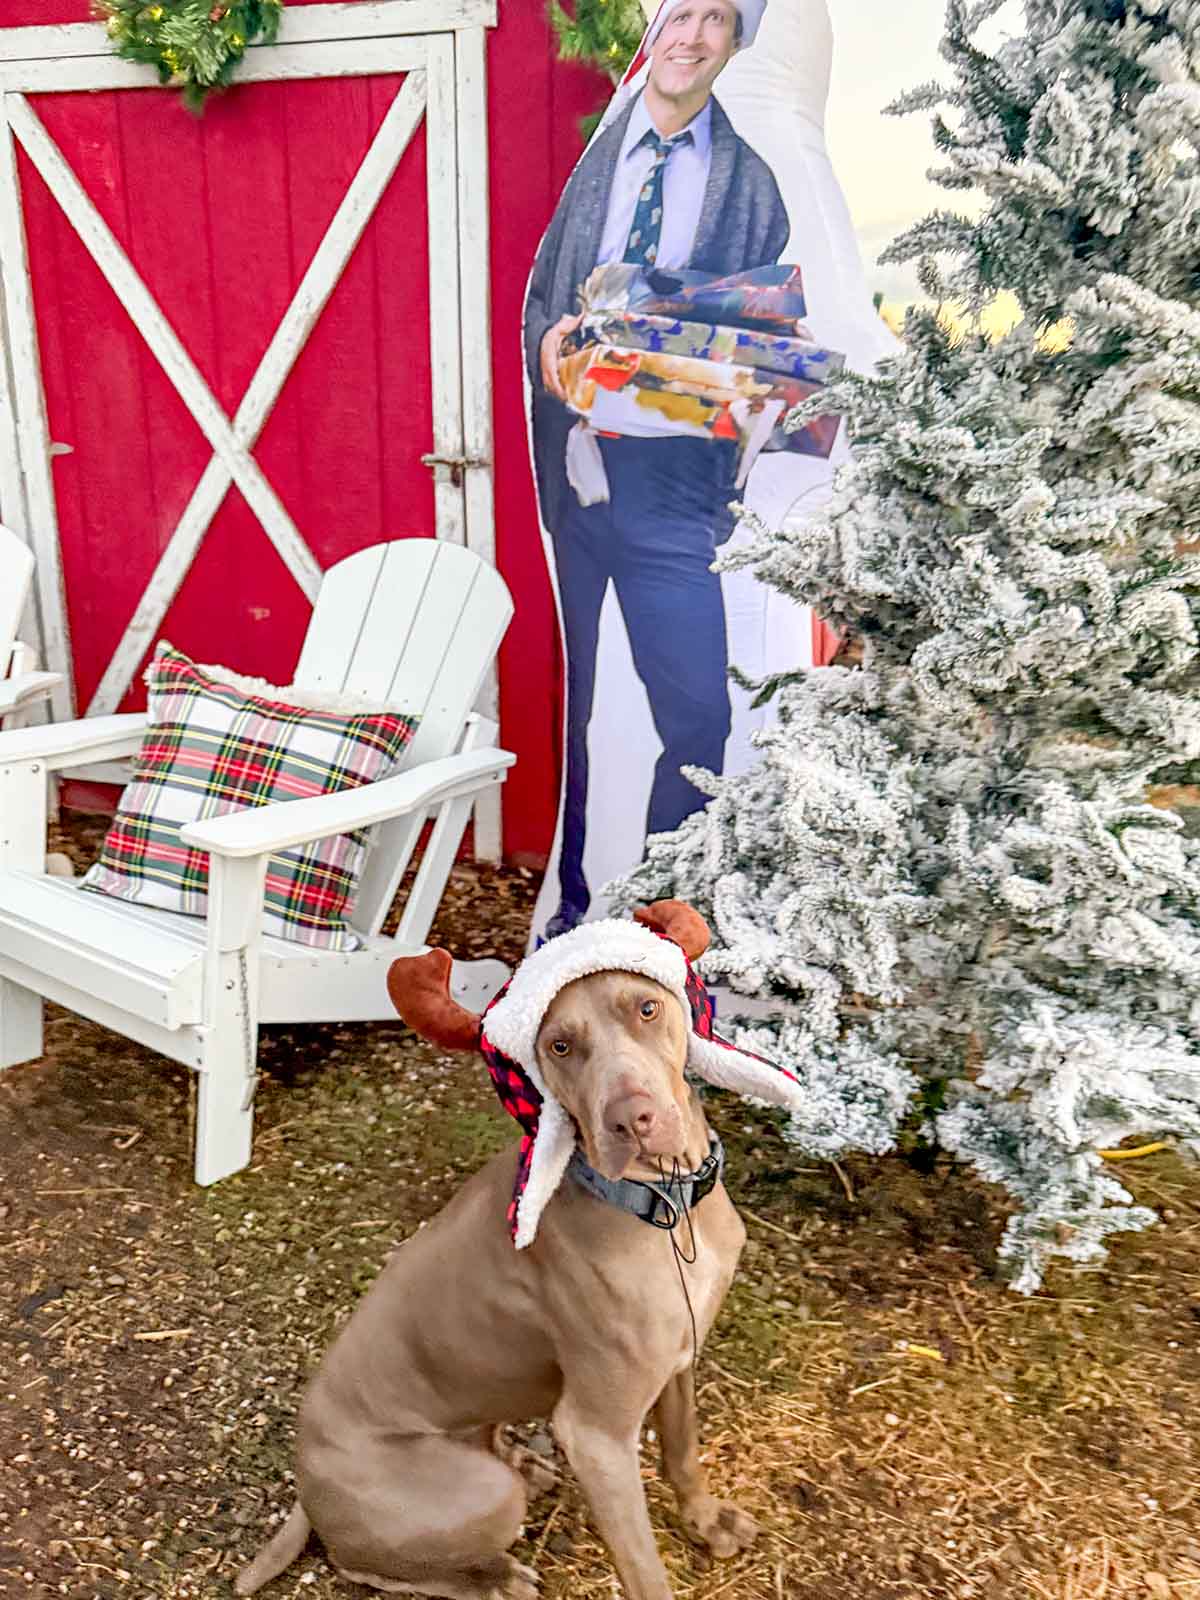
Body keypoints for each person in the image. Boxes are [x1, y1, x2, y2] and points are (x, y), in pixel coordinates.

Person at [524, 0, 789, 940]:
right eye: (681, 13)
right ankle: (569, 910)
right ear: (654, 27)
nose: (693, 36)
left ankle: (652, 924)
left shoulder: (751, 185)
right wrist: (548, 350)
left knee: (694, 716)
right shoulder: (586, 164)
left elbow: (762, 335)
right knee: (574, 710)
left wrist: (745, 384)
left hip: (674, 485)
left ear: (736, 40)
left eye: (718, 18)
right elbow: (536, 296)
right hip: (569, 472)